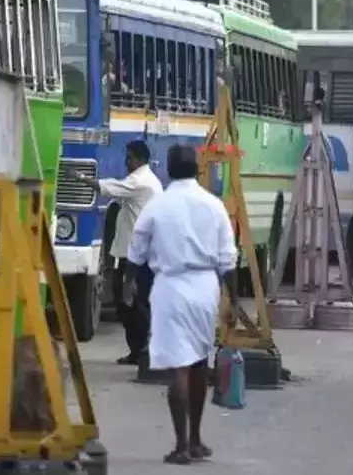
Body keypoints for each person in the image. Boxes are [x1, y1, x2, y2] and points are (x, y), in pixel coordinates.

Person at [125, 144, 237, 464]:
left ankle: (181, 446)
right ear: (199, 170)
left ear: (169, 171)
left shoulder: (158, 206)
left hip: (170, 287)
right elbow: (228, 259)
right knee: (200, 361)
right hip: (205, 287)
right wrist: (234, 301)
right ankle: (198, 439)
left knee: (179, 365)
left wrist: (128, 283)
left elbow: (136, 250)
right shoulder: (214, 206)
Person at [79, 140, 163, 365]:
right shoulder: (146, 181)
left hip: (138, 257)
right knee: (130, 303)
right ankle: (139, 350)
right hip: (136, 254)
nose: (126, 162)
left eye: (129, 158)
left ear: (140, 160)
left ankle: (143, 350)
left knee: (134, 303)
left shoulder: (141, 183)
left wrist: (82, 179)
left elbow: (109, 187)